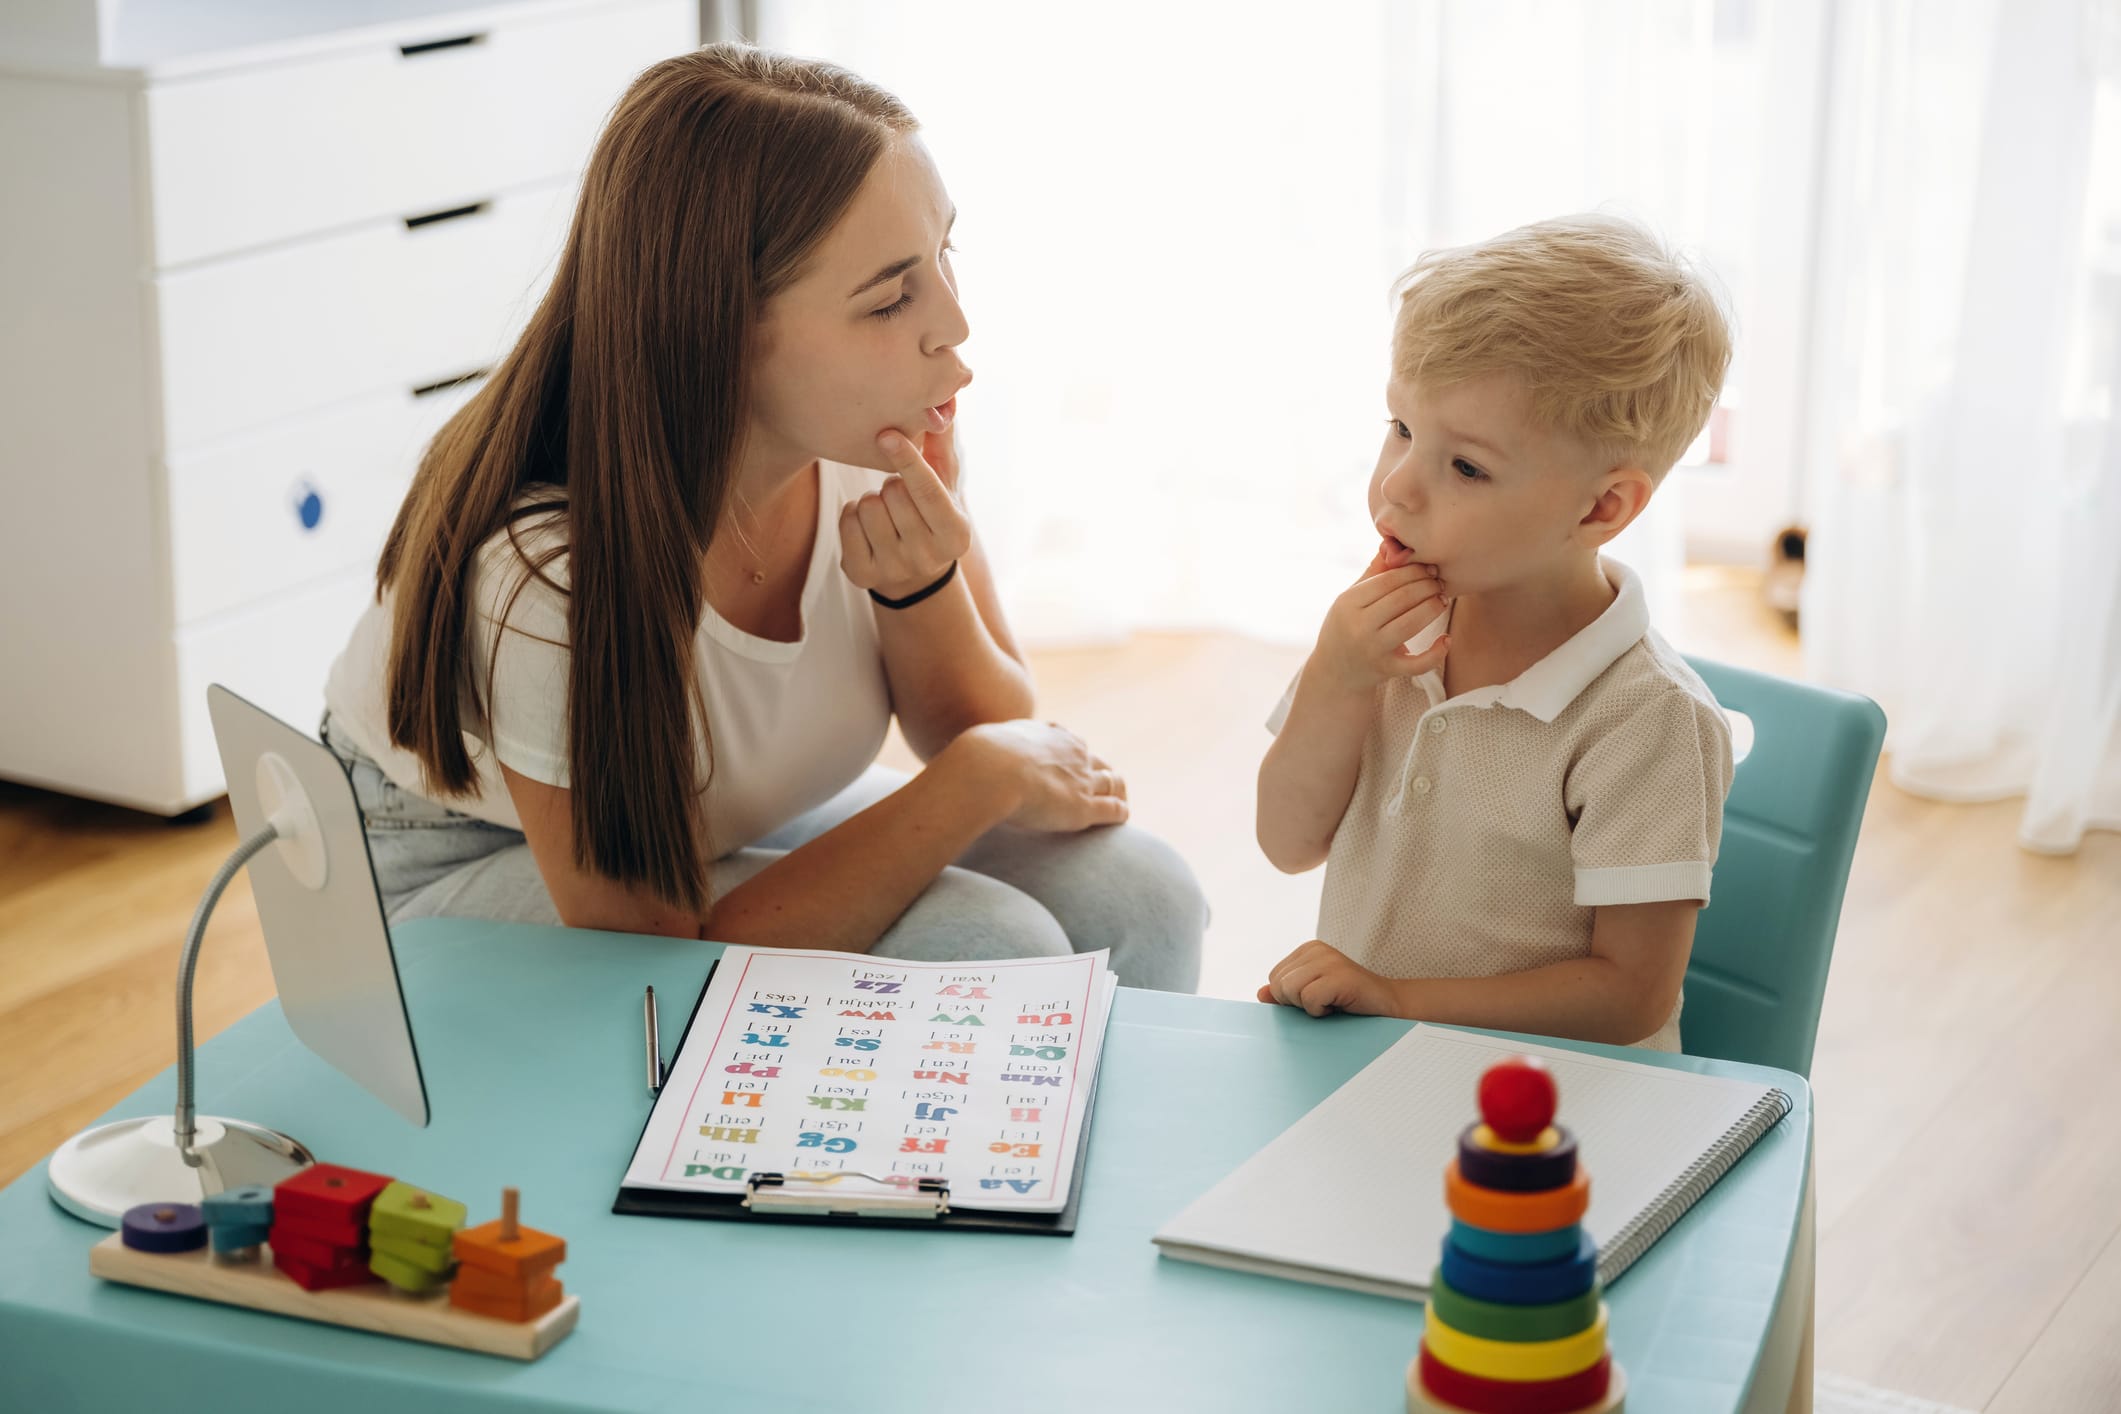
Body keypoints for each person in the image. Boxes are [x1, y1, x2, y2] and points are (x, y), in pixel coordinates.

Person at [319, 44, 1203, 992]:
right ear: (720, 329)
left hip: (721, 819)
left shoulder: (871, 437)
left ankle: (1062, 1140)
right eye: (891, 296)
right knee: (985, 952)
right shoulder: (546, 576)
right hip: (466, 865)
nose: (953, 321)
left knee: (1140, 896)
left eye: (944, 255)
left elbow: (982, 727)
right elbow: (658, 964)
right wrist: (974, 782)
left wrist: (923, 590)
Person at [1255, 214, 1734, 1048]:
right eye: (1400, 429)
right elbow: (1287, 844)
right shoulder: (1382, 636)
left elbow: (1628, 999)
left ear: (1600, 508)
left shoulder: (1647, 721)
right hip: (1381, 1062)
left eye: (1465, 466)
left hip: (1554, 1108)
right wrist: (1335, 680)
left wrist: (1395, 996)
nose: (1396, 489)